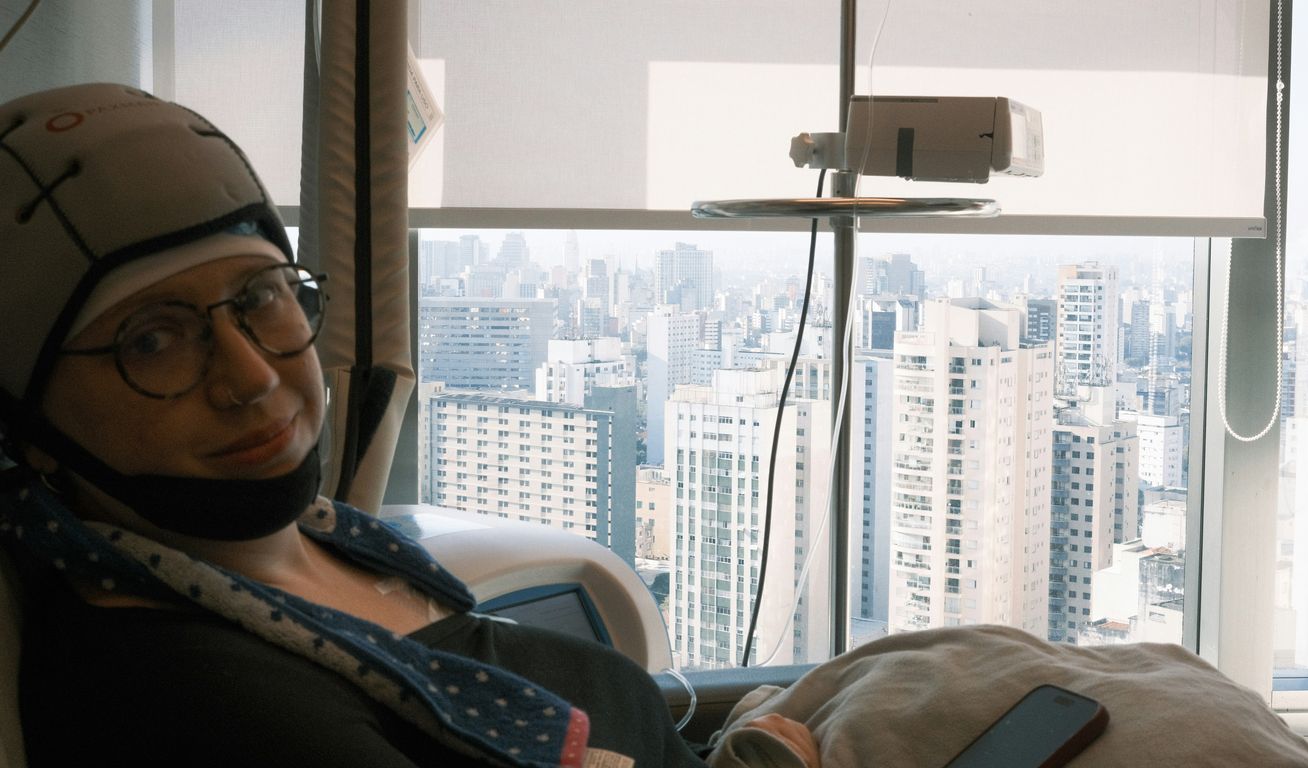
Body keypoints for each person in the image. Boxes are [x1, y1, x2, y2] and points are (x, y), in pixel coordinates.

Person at [0, 82, 759, 768]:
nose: (253, 376)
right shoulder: (189, 697)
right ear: (30, 420)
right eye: (152, 341)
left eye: (261, 296)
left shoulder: (348, 546)